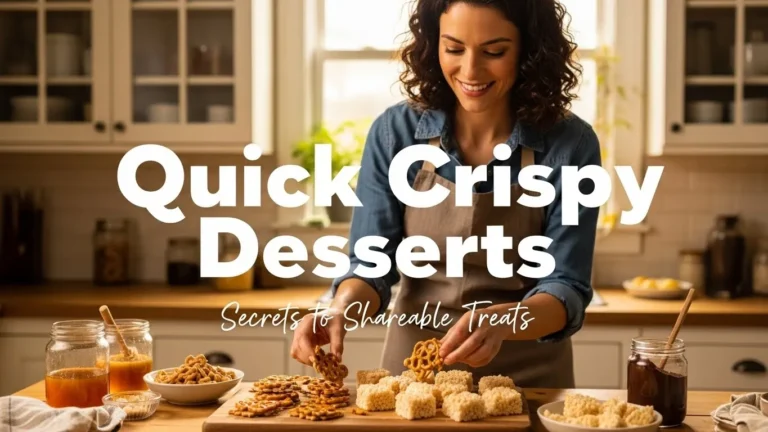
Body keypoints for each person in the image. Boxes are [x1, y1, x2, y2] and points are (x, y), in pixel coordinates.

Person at [290, 0, 599, 389]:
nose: (470, 70)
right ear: (433, 45)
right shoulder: (395, 133)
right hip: (414, 379)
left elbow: (566, 287)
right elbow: (371, 267)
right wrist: (337, 310)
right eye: (454, 49)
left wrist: (501, 320)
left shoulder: (570, 144)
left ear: (529, 50)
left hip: (528, 378)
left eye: (494, 52)